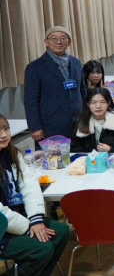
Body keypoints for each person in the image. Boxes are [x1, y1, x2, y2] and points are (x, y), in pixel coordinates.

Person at [0, 114, 69, 276]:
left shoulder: (12, 153)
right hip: (3, 229)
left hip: (18, 218)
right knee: (42, 249)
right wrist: (27, 226)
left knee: (61, 232)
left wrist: (35, 219)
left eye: (6, 128)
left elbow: (29, 185)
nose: (3, 135)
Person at [24, 26, 86, 145]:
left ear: (69, 42)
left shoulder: (76, 62)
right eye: (54, 38)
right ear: (46, 42)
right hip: (51, 125)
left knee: (79, 158)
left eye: (63, 38)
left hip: (78, 123)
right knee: (53, 160)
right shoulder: (35, 67)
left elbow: (82, 90)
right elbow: (30, 100)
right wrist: (35, 127)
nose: (58, 42)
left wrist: (85, 116)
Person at [71, 88, 114, 153]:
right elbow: (75, 148)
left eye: (103, 102)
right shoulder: (80, 122)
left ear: (108, 103)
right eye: (94, 102)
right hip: (87, 161)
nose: (98, 106)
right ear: (88, 104)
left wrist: (111, 148)